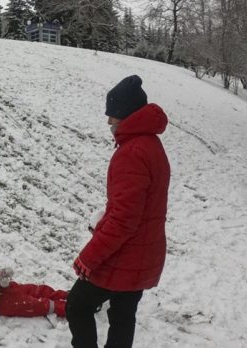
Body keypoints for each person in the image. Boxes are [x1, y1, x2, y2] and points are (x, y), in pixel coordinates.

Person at [67, 75, 170, 348]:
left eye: (112, 115)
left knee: (77, 304)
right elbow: (138, 205)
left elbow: (124, 220)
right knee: (123, 315)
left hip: (126, 254)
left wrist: (88, 258)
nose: (109, 122)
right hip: (145, 251)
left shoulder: (132, 152)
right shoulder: (151, 145)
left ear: (126, 114)